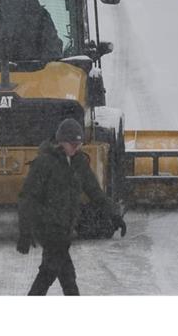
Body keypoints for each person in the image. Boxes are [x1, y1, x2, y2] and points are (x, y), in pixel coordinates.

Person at [17, 117, 127, 296]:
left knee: (57, 272)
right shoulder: (45, 163)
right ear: (61, 142)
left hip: (65, 227)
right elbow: (28, 198)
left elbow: (94, 191)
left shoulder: (79, 162)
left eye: (79, 144)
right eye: (72, 144)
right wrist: (25, 232)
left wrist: (114, 214)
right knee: (58, 273)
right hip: (47, 226)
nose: (76, 148)